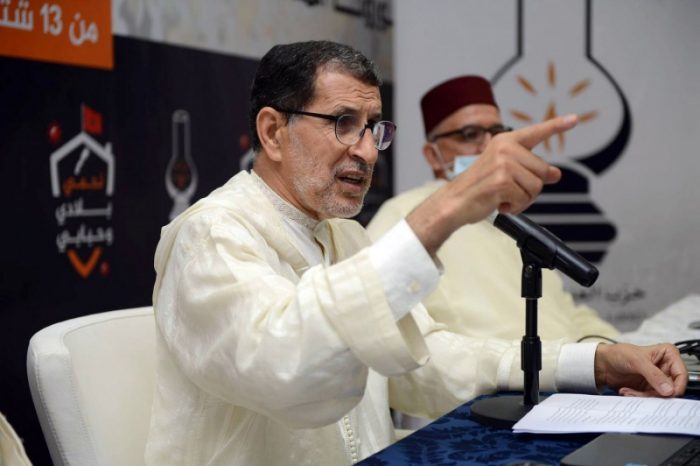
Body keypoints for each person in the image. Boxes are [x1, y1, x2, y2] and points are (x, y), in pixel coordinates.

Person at [145, 41, 687, 465]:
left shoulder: (342, 236)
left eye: (373, 129)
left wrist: (593, 362)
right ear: (272, 132)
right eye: (343, 124)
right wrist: (450, 204)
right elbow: (288, 368)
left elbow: (427, 359)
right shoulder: (211, 235)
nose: (366, 150)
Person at [368, 75, 620, 343]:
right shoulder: (402, 214)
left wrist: (607, 350)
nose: (491, 146)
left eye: (498, 133)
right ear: (433, 156)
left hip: (567, 364)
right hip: (494, 369)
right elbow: (379, 322)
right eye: (470, 134)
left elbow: (566, 314)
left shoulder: (509, 215)